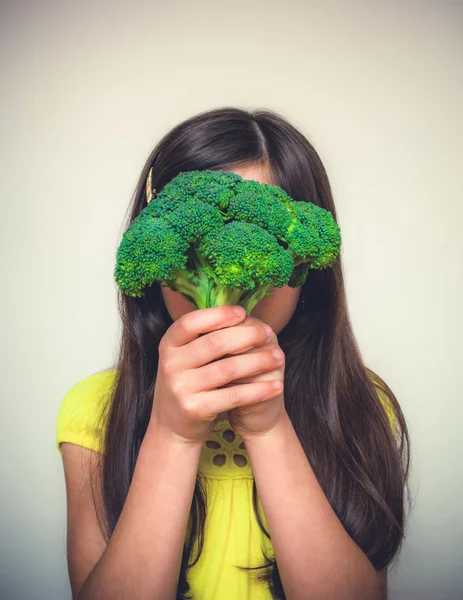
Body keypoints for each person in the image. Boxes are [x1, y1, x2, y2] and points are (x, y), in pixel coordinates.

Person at [56, 106, 411, 600]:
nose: (231, 276)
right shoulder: (92, 410)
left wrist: (268, 427)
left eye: (261, 238)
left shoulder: (360, 401)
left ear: (306, 263)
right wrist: (172, 435)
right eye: (200, 242)